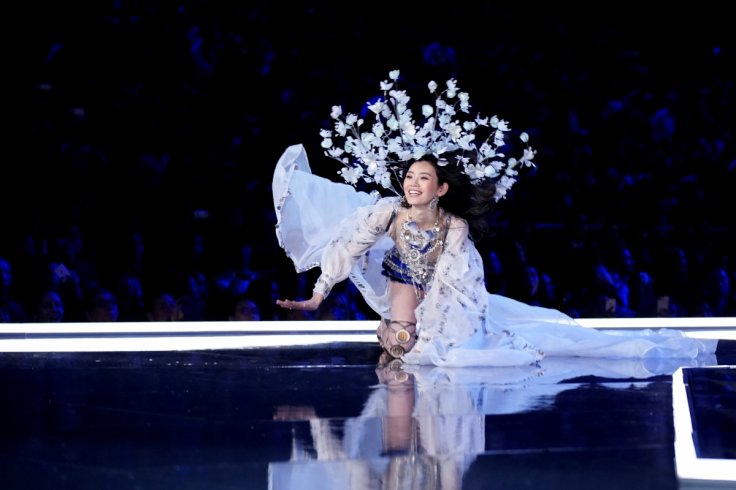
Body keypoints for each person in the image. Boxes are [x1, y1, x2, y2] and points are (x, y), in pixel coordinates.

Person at [273, 70, 717, 367]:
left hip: (457, 315)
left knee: (556, 337)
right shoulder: (379, 217)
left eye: (423, 179)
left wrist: (423, 335)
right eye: (409, 177)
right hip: (415, 311)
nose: (412, 185)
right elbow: (346, 251)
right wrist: (317, 297)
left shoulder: (451, 229)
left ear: (441, 189)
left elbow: (458, 291)